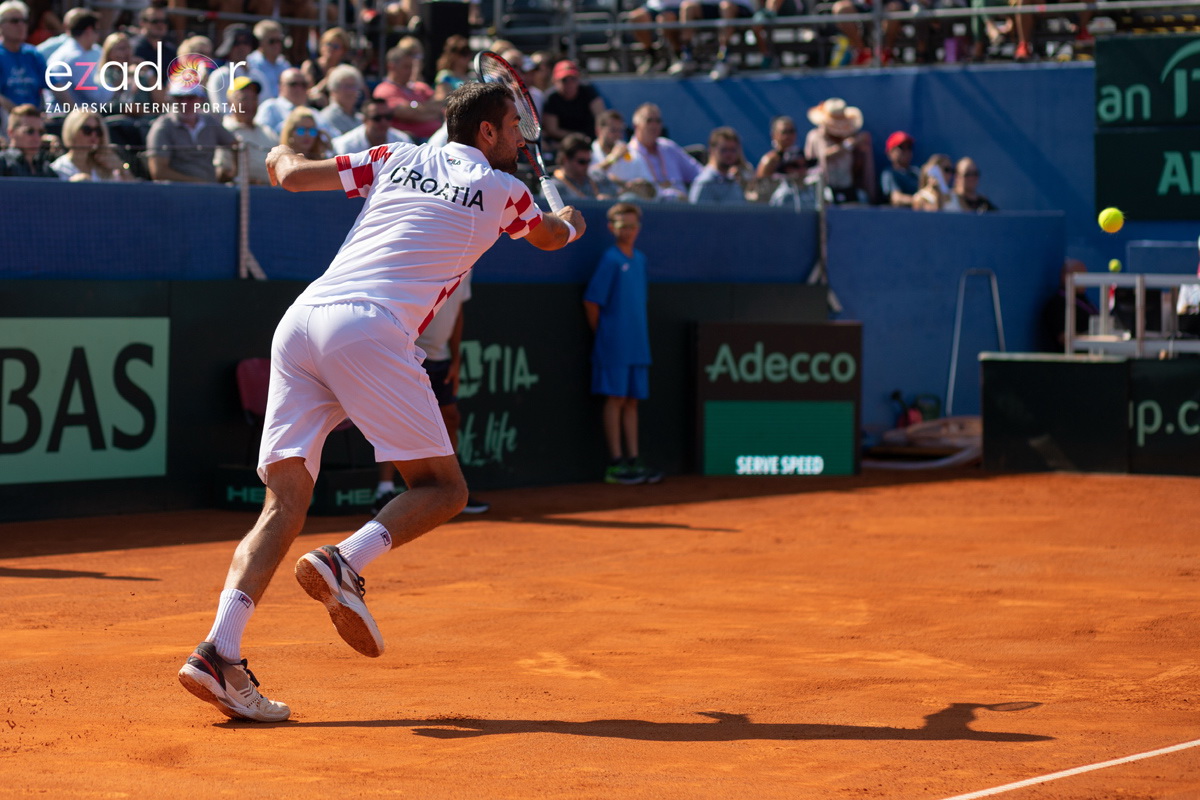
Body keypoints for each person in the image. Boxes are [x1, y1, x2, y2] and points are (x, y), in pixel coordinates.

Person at [177, 80, 585, 722]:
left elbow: (287, 174)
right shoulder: (507, 192)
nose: (519, 139)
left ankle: (217, 654)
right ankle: (345, 560)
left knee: (283, 502)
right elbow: (551, 239)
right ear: (486, 133)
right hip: (370, 329)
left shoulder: (394, 156)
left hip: (303, 320)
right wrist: (571, 222)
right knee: (444, 489)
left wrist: (281, 148)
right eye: (513, 127)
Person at [371, 270, 490, 516]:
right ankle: (384, 490)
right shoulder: (424, 257)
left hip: (441, 358)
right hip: (409, 353)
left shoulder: (468, 266)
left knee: (450, 418)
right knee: (399, 423)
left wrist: (456, 360)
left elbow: (457, 314)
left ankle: (454, 491)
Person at [583, 202, 662, 486]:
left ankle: (633, 459)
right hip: (613, 345)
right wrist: (605, 336)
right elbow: (592, 302)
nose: (628, 230)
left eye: (632, 225)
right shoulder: (610, 260)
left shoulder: (639, 259)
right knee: (615, 400)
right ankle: (616, 464)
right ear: (611, 228)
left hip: (638, 345)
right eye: (623, 225)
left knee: (631, 402)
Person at [146, 85, 237, 182]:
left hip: (211, 191)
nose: (185, 103)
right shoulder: (162, 127)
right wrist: (197, 182)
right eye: (179, 98)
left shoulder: (209, 121)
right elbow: (158, 172)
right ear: (172, 100)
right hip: (174, 193)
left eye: (191, 98)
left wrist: (232, 173)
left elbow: (236, 145)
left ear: (201, 100)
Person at [803, 97, 875, 205]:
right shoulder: (815, 137)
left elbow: (864, 169)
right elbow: (823, 156)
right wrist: (848, 145)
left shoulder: (852, 137)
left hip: (848, 189)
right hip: (824, 191)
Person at [372, 39, 442, 142]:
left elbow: (440, 106)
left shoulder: (420, 87)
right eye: (406, 67)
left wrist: (416, 108)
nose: (410, 71)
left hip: (435, 139)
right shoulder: (384, 90)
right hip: (410, 143)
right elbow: (408, 114)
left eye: (411, 67)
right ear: (391, 67)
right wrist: (430, 111)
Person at [626, 102, 700, 200]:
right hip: (652, 210)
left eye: (658, 121)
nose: (654, 125)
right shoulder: (628, 154)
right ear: (636, 126)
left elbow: (698, 173)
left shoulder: (668, 147)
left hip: (684, 208)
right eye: (649, 121)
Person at [214, 75, 275, 184]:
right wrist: (246, 181)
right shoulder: (223, 131)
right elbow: (219, 174)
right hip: (238, 195)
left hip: (271, 194)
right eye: (244, 99)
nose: (250, 104)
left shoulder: (268, 132)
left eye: (254, 99)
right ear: (229, 103)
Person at [50, 107, 133, 180]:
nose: (94, 135)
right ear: (72, 131)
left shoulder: (105, 166)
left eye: (98, 131)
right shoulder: (58, 168)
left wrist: (121, 168)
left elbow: (133, 191)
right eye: (87, 130)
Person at [541, 60, 605, 150]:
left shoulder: (588, 91)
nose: (569, 83)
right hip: (562, 145)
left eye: (573, 79)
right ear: (555, 81)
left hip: (591, 141)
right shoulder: (551, 98)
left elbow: (601, 118)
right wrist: (577, 137)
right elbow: (552, 129)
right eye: (564, 80)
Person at [45, 8, 104, 105]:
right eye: (97, 31)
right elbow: (97, 96)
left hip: (67, 115)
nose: (98, 36)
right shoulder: (75, 57)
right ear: (88, 31)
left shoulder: (69, 51)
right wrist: (117, 83)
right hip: (63, 117)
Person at [0, 1, 49, 114]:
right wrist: (20, 114)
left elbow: (56, 86)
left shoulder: (33, 54)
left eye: (25, 21)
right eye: (14, 21)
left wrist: (75, 112)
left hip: (34, 118)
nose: (21, 25)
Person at [590, 109, 655, 193]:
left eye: (621, 130)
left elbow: (652, 189)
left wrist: (641, 185)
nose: (618, 135)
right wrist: (613, 158)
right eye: (613, 130)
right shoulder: (588, 153)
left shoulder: (634, 155)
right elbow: (587, 176)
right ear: (598, 131)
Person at [825, 0, 905, 66]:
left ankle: (887, 53)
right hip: (861, 3)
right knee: (841, 8)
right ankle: (862, 53)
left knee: (894, 8)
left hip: (888, 3)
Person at [1041, 258, 1096, 351]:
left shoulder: (1083, 299)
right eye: (1080, 275)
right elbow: (1064, 338)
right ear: (1065, 276)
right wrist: (1094, 339)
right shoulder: (1057, 304)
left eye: (1085, 274)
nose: (1085, 280)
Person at [547, 132, 618, 202]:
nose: (587, 165)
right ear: (565, 159)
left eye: (589, 161)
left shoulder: (598, 176)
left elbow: (618, 197)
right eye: (582, 162)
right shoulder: (553, 188)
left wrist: (608, 200)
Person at [256, 67, 325, 139]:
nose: (299, 89)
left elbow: (333, 138)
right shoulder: (270, 107)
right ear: (280, 87)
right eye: (293, 84)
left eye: (303, 85)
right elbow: (261, 137)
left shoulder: (314, 113)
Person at [689, 126, 749, 205]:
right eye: (724, 150)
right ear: (712, 150)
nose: (729, 155)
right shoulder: (705, 183)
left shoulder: (735, 183)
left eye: (733, 150)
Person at [331, 97, 411, 155]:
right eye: (377, 118)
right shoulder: (345, 146)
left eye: (388, 117)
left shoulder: (402, 142)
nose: (383, 122)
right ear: (364, 120)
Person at [207, 24, 260, 108]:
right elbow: (219, 109)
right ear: (228, 46)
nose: (241, 47)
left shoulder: (258, 75)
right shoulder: (219, 76)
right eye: (236, 43)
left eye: (246, 42)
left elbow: (263, 105)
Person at [0, 103, 56, 177]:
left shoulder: (45, 168)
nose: (37, 138)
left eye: (41, 132)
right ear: (11, 132)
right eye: (30, 131)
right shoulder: (3, 163)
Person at [627, 0, 682, 75]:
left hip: (678, 5)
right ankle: (651, 56)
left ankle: (678, 56)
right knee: (636, 18)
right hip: (655, 5)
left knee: (667, 19)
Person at [301, 26, 350, 108]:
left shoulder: (345, 69)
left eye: (336, 46)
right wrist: (326, 80)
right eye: (328, 44)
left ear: (343, 50)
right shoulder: (309, 65)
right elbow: (307, 93)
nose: (330, 48)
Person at [246, 19, 290, 101]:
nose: (277, 45)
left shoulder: (284, 64)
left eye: (279, 41)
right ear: (260, 42)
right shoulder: (250, 63)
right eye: (272, 41)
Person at [317, 63, 365, 137]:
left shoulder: (360, 119)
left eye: (353, 86)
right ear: (333, 90)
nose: (350, 91)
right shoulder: (326, 117)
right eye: (346, 86)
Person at [879, 130, 918, 207]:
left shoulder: (916, 172)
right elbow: (896, 199)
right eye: (901, 147)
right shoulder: (889, 173)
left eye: (909, 147)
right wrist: (917, 200)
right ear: (890, 152)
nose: (906, 151)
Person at [432, 34, 471, 103]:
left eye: (469, 52)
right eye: (463, 53)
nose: (468, 57)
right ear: (453, 55)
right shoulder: (445, 76)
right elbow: (442, 99)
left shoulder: (470, 76)